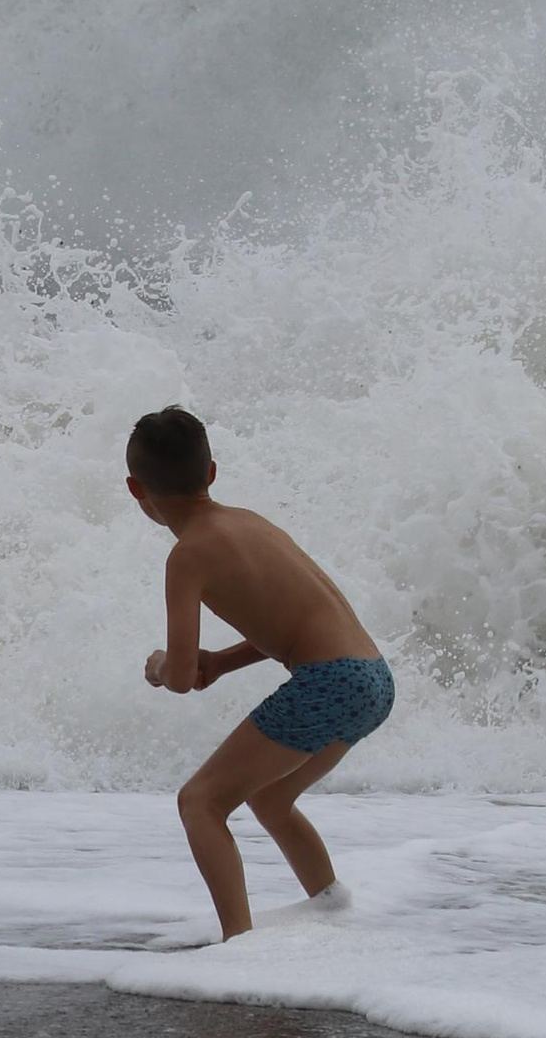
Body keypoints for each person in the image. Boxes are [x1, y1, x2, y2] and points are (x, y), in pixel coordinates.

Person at [125, 404, 394, 942]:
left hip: (327, 682)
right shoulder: (251, 522)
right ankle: (331, 907)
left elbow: (179, 677)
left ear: (137, 490)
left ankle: (238, 947)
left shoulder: (188, 555)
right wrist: (222, 661)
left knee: (200, 802)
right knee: (270, 799)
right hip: (373, 678)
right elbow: (294, 624)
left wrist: (159, 666)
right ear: (212, 473)